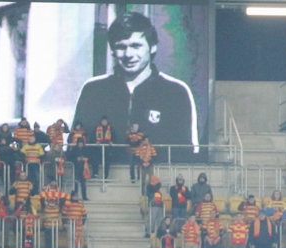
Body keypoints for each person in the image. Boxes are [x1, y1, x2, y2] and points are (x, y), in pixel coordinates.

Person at [73, 11, 198, 149]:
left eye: (136, 46)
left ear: (152, 47)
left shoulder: (176, 92)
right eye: (121, 47)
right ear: (113, 50)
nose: (128, 54)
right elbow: (75, 145)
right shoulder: (93, 90)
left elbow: (186, 151)